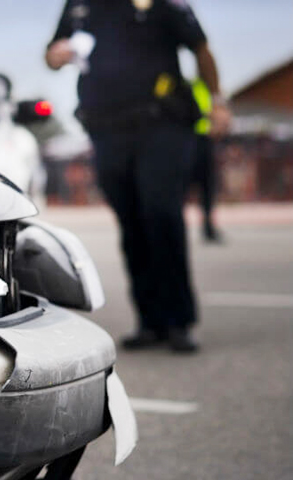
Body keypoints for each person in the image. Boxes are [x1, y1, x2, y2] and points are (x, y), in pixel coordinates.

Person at [45, 0, 231, 352]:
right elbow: (53, 54)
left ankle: (178, 321)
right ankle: (150, 320)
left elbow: (200, 48)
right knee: (131, 222)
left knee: (161, 213)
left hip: (161, 125)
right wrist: (56, 55)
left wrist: (218, 101)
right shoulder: (81, 5)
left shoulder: (163, 4)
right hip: (105, 130)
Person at [190, 78, 223, 242]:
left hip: (204, 140)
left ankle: (208, 227)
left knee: (208, 187)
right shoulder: (191, 87)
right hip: (188, 140)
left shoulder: (209, 89)